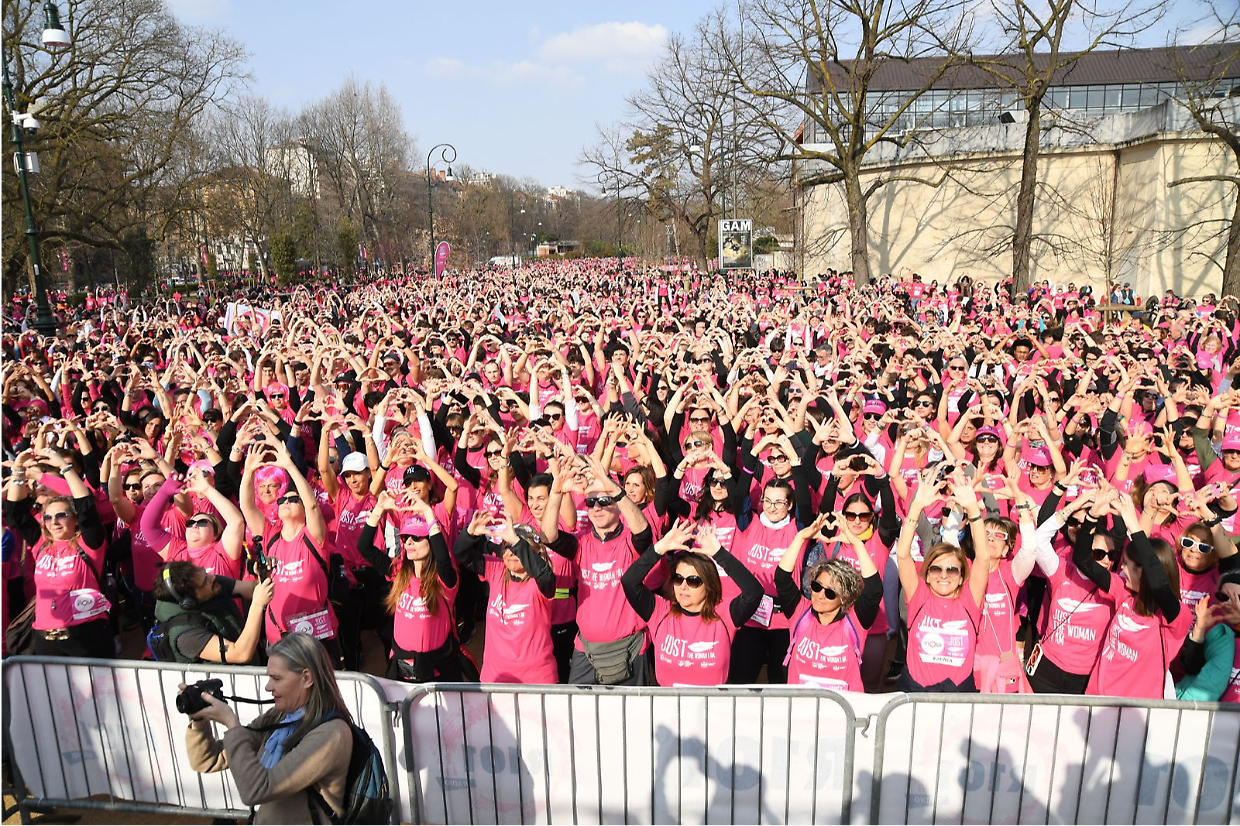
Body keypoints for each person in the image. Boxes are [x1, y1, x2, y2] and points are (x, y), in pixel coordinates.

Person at [183, 633, 354, 825]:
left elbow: (257, 790)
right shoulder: (280, 716)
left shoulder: (331, 734)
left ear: (306, 678)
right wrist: (199, 718)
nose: (268, 687)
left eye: (276, 678)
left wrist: (231, 723)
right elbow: (207, 760)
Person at [620, 518, 763, 686]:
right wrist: (659, 549)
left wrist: (719, 554)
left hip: (711, 702)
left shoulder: (724, 615)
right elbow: (629, 582)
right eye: (678, 579)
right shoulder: (660, 611)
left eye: (693, 580)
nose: (684, 586)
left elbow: (754, 592)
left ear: (709, 585)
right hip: (669, 702)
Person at [3, 449, 112, 657]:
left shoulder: (89, 543)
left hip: (86, 637)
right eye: (48, 517)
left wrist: (64, 466)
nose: (54, 522)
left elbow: (86, 505)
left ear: (75, 519)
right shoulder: (41, 544)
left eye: (61, 515)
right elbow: (14, 512)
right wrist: (18, 469)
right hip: (45, 640)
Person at [893, 468, 992, 692]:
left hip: (958, 695)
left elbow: (983, 558)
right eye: (936, 569)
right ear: (927, 574)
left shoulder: (969, 599)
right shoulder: (918, 595)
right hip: (916, 692)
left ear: (962, 577)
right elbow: (903, 554)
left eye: (952, 570)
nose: (944, 575)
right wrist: (916, 507)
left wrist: (973, 510)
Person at [775, 513, 882, 691]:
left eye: (830, 592)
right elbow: (782, 578)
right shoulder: (801, 612)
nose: (820, 595)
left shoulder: (855, 621)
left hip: (842, 707)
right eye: (817, 586)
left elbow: (874, 590)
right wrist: (801, 537)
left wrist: (856, 544)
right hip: (802, 705)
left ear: (844, 597)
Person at [153, 559, 274, 664]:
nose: (213, 577)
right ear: (189, 601)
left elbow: (252, 589)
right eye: (205, 581)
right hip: (228, 682)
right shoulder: (186, 636)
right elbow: (241, 654)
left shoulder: (211, 584)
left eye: (205, 573)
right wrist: (257, 605)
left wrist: (264, 574)